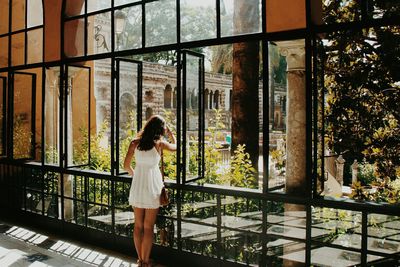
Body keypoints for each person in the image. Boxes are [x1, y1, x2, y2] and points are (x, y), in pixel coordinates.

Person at [124, 115, 176, 267]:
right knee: (148, 227)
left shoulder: (134, 143)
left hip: (138, 186)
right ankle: (146, 261)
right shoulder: (160, 144)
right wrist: (171, 135)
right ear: (160, 130)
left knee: (138, 225)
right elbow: (177, 147)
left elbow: (126, 166)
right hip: (153, 187)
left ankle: (140, 260)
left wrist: (137, 175)